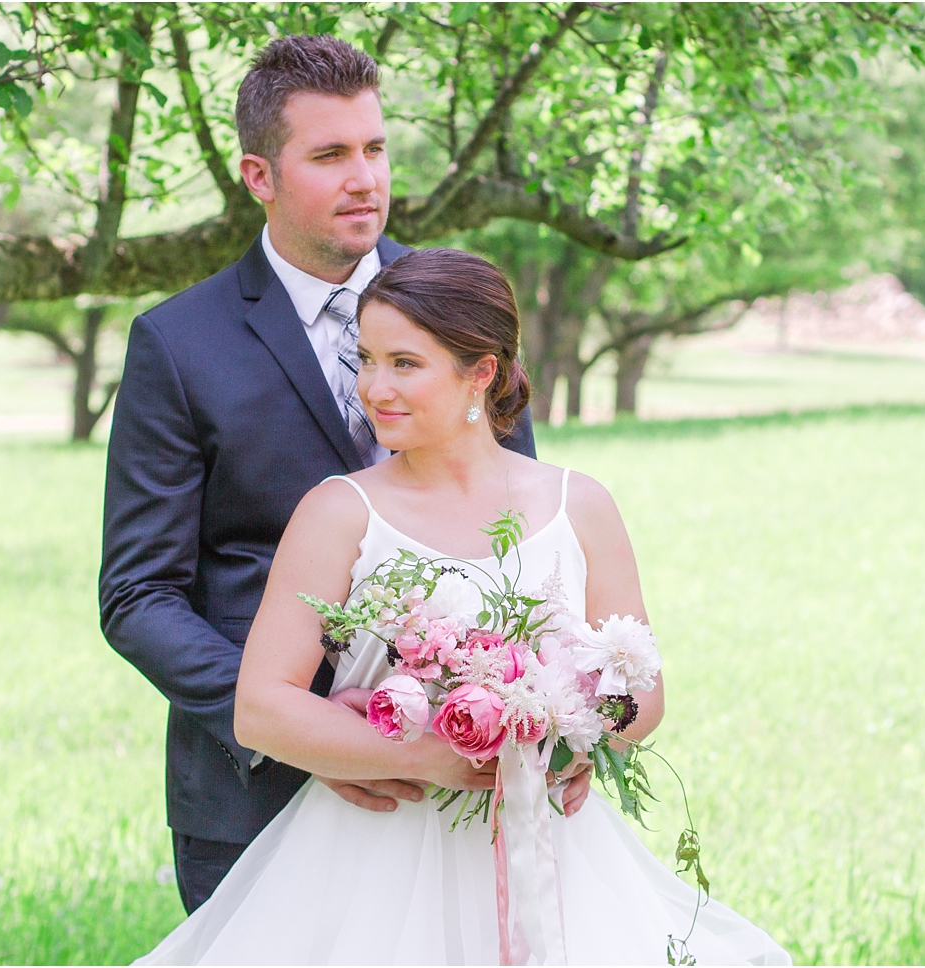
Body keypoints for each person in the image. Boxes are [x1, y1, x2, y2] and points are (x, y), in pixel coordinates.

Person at [134, 248, 790, 965]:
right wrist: (426, 756)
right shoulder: (337, 512)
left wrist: (571, 739)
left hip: (549, 843)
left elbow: (642, 693)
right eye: (366, 359)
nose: (373, 387)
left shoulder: (580, 505)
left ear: (480, 371)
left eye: (404, 364)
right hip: (377, 854)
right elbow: (262, 706)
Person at [98, 35, 538, 916]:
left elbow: (524, 530)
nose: (364, 178)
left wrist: (533, 720)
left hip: (464, 772)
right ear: (258, 176)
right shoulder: (178, 346)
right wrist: (309, 732)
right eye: (330, 155)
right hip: (256, 792)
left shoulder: (462, 311)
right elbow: (138, 595)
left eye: (374, 148)